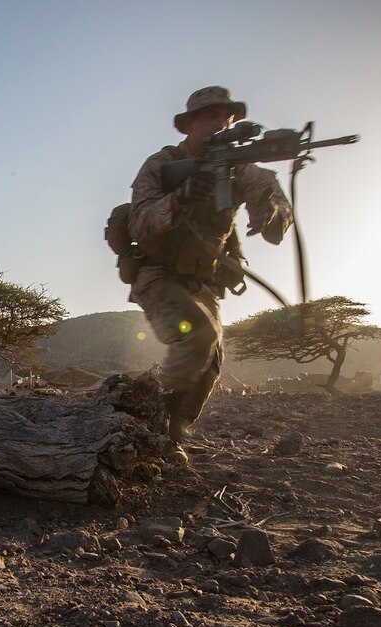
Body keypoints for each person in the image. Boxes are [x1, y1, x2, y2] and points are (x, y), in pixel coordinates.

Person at [128, 86, 292, 442]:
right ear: (188, 125)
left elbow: (276, 228)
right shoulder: (162, 164)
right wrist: (182, 196)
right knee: (198, 335)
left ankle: (175, 428)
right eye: (209, 117)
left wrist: (270, 209)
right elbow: (138, 223)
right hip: (157, 273)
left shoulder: (242, 168)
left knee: (210, 358)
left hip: (204, 281)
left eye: (227, 117)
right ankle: (159, 425)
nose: (220, 124)